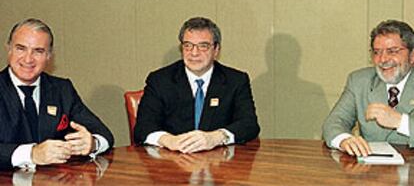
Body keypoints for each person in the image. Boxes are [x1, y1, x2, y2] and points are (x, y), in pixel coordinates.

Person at [0, 18, 114, 169]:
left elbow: (104, 133)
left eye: (38, 51)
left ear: (49, 56)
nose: (28, 59)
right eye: (21, 48)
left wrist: (92, 143)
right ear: (9, 49)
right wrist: (31, 154)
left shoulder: (62, 89)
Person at [135, 17, 260, 153]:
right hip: (171, 164)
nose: (194, 53)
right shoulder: (160, 80)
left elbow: (249, 125)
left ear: (216, 49)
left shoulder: (235, 80)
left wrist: (217, 137)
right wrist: (169, 140)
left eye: (203, 46)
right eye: (188, 45)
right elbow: (143, 128)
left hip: (220, 165)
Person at [323, 19, 414, 157]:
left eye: (392, 51)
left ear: (412, 56)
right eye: (377, 52)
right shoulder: (359, 81)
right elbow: (334, 122)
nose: (383, 59)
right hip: (371, 171)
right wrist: (344, 140)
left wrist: (401, 122)